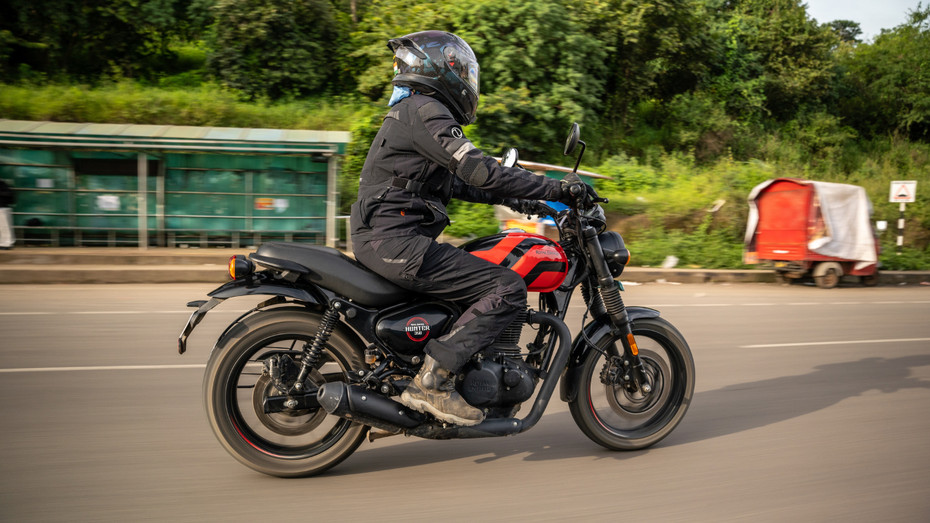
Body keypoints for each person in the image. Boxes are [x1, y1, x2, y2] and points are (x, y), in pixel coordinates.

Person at [350, 30, 578, 426]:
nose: (466, 80)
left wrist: (526, 200)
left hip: (393, 238)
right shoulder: (425, 111)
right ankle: (432, 382)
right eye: (459, 70)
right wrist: (559, 189)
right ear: (438, 70)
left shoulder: (413, 113)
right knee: (506, 287)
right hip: (396, 242)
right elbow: (478, 169)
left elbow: (455, 183)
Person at [0, 178, 15, 250]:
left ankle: (6, 243)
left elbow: (9, 194)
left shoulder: (2, 184)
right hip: (3, 207)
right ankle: (7, 242)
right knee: (4, 227)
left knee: (4, 227)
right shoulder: (3, 184)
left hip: (2, 208)